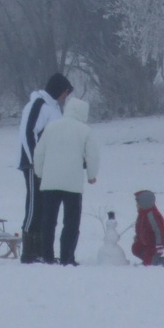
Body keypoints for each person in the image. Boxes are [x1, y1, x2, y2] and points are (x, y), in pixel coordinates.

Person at [32, 95, 99, 265]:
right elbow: (92, 155)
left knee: (48, 221)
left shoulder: (51, 127)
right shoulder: (84, 130)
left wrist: (40, 173)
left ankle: (47, 256)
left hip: (50, 183)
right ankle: (67, 257)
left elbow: (39, 153)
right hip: (73, 185)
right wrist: (91, 175)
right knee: (71, 223)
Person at [17, 73, 72, 262]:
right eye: (65, 92)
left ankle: (41, 249)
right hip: (35, 165)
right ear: (58, 90)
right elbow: (27, 132)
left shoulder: (54, 108)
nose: (66, 96)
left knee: (45, 206)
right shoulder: (39, 105)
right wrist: (35, 161)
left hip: (50, 166)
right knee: (35, 204)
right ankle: (30, 251)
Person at [131, 189, 164, 265]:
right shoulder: (142, 214)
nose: (136, 205)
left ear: (144, 203)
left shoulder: (152, 215)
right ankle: (149, 259)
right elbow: (140, 228)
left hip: (153, 244)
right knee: (136, 248)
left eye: (138, 203)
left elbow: (159, 231)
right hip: (145, 242)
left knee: (149, 262)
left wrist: (159, 244)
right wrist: (138, 238)